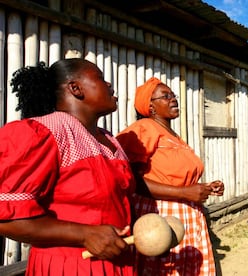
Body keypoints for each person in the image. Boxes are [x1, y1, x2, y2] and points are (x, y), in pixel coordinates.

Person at [0, 59, 136, 275]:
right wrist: (85, 234)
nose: (110, 85)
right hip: (72, 266)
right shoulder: (46, 133)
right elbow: (8, 219)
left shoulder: (109, 138)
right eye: (101, 78)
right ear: (75, 88)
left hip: (118, 263)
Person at [117, 77, 224, 275]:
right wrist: (183, 192)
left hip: (187, 212)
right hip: (161, 215)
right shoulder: (144, 128)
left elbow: (171, 175)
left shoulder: (174, 136)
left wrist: (205, 187)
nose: (173, 99)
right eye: (165, 96)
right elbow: (130, 179)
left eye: (173, 95)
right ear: (150, 106)